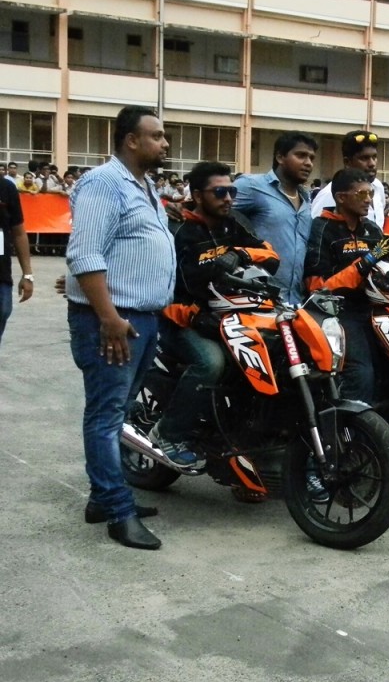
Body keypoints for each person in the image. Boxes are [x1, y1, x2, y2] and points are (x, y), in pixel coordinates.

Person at [64, 105, 175, 550]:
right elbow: (85, 254)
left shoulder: (144, 185)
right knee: (106, 415)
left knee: (119, 411)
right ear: (131, 140)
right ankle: (117, 511)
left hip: (141, 319)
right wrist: (108, 318)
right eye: (157, 136)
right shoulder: (104, 183)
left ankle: (101, 497)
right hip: (112, 320)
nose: (165, 143)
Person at [153, 161, 280, 467]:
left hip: (229, 316)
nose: (229, 198)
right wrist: (195, 317)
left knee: (268, 356)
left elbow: (271, 256)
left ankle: (242, 433)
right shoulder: (176, 230)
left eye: (232, 191)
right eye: (220, 192)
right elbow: (160, 290)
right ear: (197, 195)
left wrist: (239, 253)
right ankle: (168, 433)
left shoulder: (232, 223)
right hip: (180, 321)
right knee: (211, 363)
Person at [304, 168, 389, 404]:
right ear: (341, 197)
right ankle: (352, 423)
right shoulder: (321, 228)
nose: (368, 200)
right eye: (361, 194)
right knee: (362, 373)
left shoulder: (372, 229)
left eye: (371, 194)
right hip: (338, 313)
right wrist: (368, 260)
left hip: (376, 309)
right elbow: (319, 288)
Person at [231, 131, 317, 304]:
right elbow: (212, 208)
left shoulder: (306, 197)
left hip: (295, 300)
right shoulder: (251, 186)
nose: (308, 163)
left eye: (311, 158)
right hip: (257, 296)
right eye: (301, 155)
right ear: (280, 157)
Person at [310, 130, 387, 225]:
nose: (372, 163)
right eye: (364, 158)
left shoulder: (378, 187)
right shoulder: (330, 194)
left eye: (374, 157)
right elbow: (317, 228)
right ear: (347, 162)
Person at [0, 174, 34, 348]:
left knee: (3, 310)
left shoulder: (6, 187)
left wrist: (27, 275)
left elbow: (19, 233)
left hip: (1, 273)